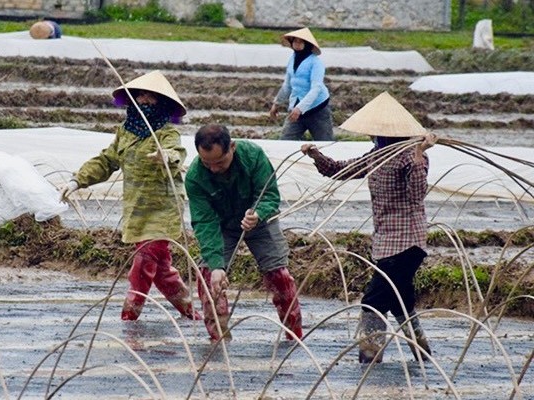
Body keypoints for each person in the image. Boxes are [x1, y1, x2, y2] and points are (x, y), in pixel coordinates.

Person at [299, 92, 437, 363]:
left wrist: (420, 154)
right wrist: (315, 154)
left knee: (372, 300)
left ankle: (369, 357)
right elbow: (339, 170)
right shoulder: (377, 154)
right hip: (385, 243)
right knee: (400, 300)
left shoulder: (410, 156)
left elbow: (416, 195)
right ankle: (422, 353)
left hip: (407, 243)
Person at [58, 71, 200, 322]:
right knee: (162, 269)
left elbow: (176, 152)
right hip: (136, 208)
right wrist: (77, 180)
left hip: (162, 209)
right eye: (140, 96)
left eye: (151, 97)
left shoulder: (166, 133)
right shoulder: (125, 131)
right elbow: (107, 160)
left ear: (162, 103)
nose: (144, 101)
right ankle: (190, 312)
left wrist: (165, 156)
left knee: (144, 261)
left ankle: (129, 314)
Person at [184, 123, 302, 342]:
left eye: (219, 162)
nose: (214, 169)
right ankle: (218, 339)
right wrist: (217, 265)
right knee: (210, 277)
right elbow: (204, 222)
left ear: (233, 148)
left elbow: (269, 195)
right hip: (222, 226)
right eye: (207, 163)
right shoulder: (195, 177)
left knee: (280, 276)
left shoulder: (253, 156)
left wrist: (258, 213)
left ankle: (294, 336)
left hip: (259, 222)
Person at [269, 27, 334, 141]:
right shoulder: (292, 60)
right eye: (295, 41)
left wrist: (300, 108)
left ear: (307, 44)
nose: (297, 44)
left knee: (324, 143)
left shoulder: (315, 62)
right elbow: (287, 85)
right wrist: (277, 103)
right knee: (285, 140)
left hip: (317, 109)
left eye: (301, 42)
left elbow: (316, 88)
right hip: (296, 107)